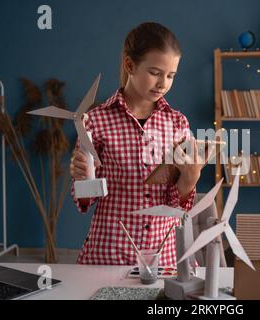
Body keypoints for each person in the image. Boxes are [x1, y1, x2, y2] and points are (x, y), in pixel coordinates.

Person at [69, 22, 203, 266]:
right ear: (130, 65)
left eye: (171, 75)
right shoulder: (96, 121)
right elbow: (84, 203)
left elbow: (175, 205)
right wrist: (83, 180)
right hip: (108, 255)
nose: (163, 83)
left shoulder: (177, 123)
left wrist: (189, 181)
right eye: (155, 72)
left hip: (164, 258)